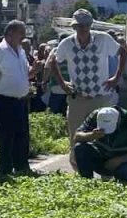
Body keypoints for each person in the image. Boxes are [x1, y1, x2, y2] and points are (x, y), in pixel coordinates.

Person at [51, 9, 122, 168]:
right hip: (78, 98)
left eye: (86, 25)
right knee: (75, 134)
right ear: (74, 27)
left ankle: (105, 167)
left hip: (101, 96)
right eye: (79, 26)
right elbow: (52, 61)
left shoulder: (103, 39)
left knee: (105, 133)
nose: (83, 29)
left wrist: (116, 77)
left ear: (90, 25)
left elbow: (122, 53)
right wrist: (63, 84)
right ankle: (78, 168)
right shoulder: (67, 43)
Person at [0, 20, 32, 177]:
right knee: (5, 137)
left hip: (20, 100)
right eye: (21, 32)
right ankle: (4, 170)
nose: (23, 36)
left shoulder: (21, 51)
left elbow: (24, 74)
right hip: (3, 100)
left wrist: (34, 71)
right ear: (10, 33)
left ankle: (22, 167)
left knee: (22, 135)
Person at [72, 106, 127, 183]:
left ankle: (120, 182)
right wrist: (91, 135)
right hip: (100, 157)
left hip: (122, 161)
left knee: (126, 171)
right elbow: (76, 137)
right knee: (80, 148)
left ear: (118, 120)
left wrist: (118, 161)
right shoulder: (95, 115)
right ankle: (87, 180)